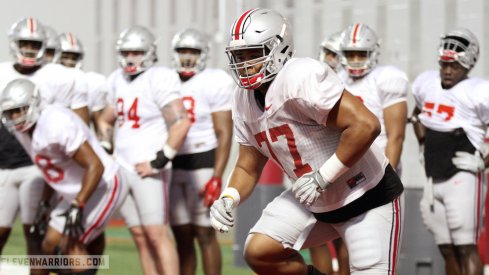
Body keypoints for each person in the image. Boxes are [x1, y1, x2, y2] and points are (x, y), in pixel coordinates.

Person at [210, 8, 404, 275]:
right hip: (312, 198)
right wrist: (228, 197)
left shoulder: (300, 77)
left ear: (278, 49)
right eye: (238, 56)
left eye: (252, 54)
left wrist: (323, 177)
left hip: (364, 194)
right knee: (260, 252)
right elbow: (247, 166)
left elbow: (365, 125)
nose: (243, 64)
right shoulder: (242, 99)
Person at [0, 78, 128, 275]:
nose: (16, 117)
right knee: (49, 244)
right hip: (76, 189)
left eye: (20, 109)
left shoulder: (56, 123)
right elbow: (53, 169)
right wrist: (45, 202)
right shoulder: (23, 131)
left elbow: (95, 166)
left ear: (34, 104)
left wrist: (78, 204)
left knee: (69, 244)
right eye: (11, 112)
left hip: (103, 185)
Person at [98, 25, 191, 275]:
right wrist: (107, 146)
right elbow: (105, 119)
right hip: (123, 166)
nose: (130, 57)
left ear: (149, 52)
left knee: (156, 232)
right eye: (127, 52)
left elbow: (181, 122)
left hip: (148, 168)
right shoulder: (116, 79)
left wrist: (160, 160)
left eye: (137, 52)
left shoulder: (159, 77)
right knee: (139, 235)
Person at [0, 17, 89, 275]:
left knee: (34, 233)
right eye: (24, 43)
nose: (28, 49)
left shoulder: (58, 76)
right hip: (3, 164)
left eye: (34, 44)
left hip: (37, 165)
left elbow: (78, 123)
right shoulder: (3, 71)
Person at [411, 28, 489, 275]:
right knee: (446, 249)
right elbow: (417, 116)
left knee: (466, 247)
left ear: (468, 64)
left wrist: (484, 162)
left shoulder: (479, 90)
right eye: (444, 63)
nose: (447, 70)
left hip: (463, 177)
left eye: (454, 65)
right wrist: (423, 144)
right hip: (433, 178)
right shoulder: (426, 83)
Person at [169, 28, 234, 275]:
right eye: (183, 51)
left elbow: (224, 132)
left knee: (205, 233)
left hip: (203, 160)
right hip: (173, 163)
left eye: (193, 51)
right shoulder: (166, 80)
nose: (187, 57)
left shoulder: (214, 80)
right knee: (182, 235)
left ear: (203, 54)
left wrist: (217, 175)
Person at [339, 23, 408, 173]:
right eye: (351, 54)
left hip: (380, 163)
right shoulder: (338, 79)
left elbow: (396, 136)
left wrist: (389, 176)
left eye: (361, 54)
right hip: (347, 166)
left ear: (373, 52)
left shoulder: (386, 78)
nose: (356, 60)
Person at [57, 32, 108, 132]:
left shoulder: (92, 83)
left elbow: (101, 127)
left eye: (74, 58)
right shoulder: (46, 80)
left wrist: (105, 144)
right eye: (65, 57)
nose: (69, 62)